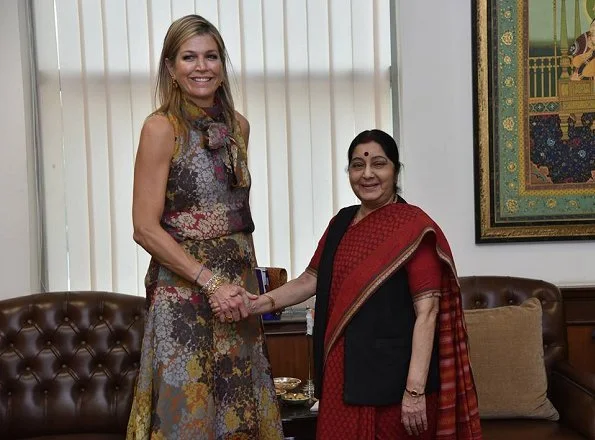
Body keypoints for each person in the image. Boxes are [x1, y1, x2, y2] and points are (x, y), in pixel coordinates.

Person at [249, 129, 483, 440]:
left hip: (393, 379)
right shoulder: (341, 222)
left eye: (379, 164)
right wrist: (259, 303)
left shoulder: (414, 228)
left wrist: (414, 392)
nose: (368, 174)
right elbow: (311, 279)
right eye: (358, 165)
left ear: (395, 170)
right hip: (340, 373)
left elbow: (427, 314)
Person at [126, 14, 283, 440]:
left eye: (211, 56)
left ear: (222, 63)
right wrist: (210, 282)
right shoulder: (161, 128)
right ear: (171, 68)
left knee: (239, 412)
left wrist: (238, 289)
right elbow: (144, 227)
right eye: (189, 57)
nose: (202, 67)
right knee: (186, 415)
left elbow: (235, 218)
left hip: (235, 295)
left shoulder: (239, 127)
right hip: (184, 294)